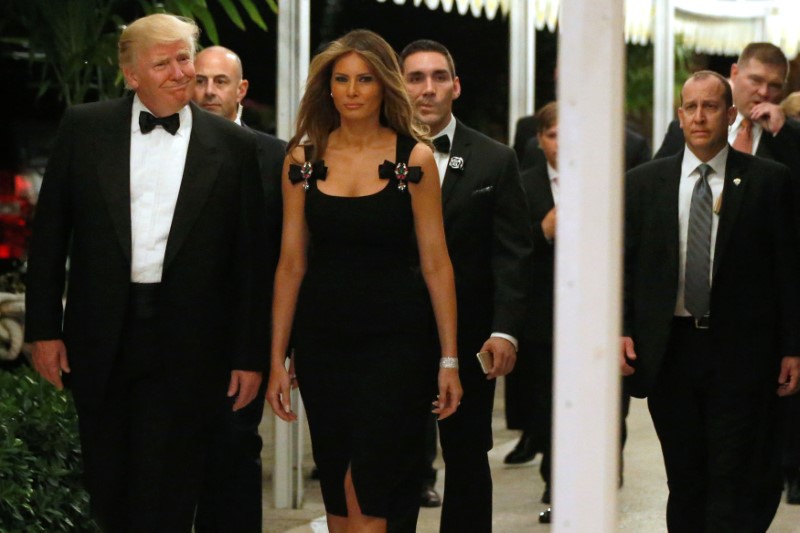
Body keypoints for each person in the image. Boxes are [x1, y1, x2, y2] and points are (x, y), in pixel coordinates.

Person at [24, 13, 271, 532]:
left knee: (169, 493)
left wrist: (250, 355)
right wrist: (43, 330)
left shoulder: (234, 145)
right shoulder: (84, 128)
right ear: (131, 75)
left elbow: (249, 262)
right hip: (101, 337)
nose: (182, 72)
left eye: (185, 57)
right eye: (165, 63)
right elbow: (49, 239)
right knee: (109, 488)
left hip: (190, 343)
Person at [265, 29, 462, 533]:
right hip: (323, 342)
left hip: (397, 345)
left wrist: (448, 358)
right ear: (327, 88)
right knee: (336, 487)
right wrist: (276, 358)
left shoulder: (412, 160)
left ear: (384, 87)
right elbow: (291, 263)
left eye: (365, 79)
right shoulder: (302, 161)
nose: (352, 90)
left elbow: (437, 262)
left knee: (368, 485)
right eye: (342, 79)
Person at [621, 70, 800, 532]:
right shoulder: (644, 184)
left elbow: (788, 271)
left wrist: (792, 346)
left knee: (732, 475)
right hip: (670, 351)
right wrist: (620, 328)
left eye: (711, 106)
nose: (700, 116)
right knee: (685, 476)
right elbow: (625, 264)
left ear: (730, 113)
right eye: (691, 107)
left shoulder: (767, 181)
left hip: (740, 351)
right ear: (680, 115)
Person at [400, 40, 532, 533]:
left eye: (438, 77)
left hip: (472, 335)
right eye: (415, 77)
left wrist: (505, 331)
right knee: (394, 459)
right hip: (392, 334)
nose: (427, 88)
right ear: (401, 85)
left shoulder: (495, 160)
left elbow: (514, 255)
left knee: (468, 457)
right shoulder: (376, 153)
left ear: (456, 86)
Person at [192, 45, 285, 533]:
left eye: (220, 82)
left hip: (244, 338)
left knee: (234, 454)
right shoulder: (167, 151)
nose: (208, 91)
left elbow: (286, 257)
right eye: (201, 80)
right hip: (175, 334)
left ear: (241, 90)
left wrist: (275, 348)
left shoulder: (276, 155)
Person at [653, 43, 800, 197]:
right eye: (756, 80)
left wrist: (783, 132)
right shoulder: (690, 128)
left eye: (774, 86)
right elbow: (654, 183)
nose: (764, 92)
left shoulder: (789, 137)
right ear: (734, 73)